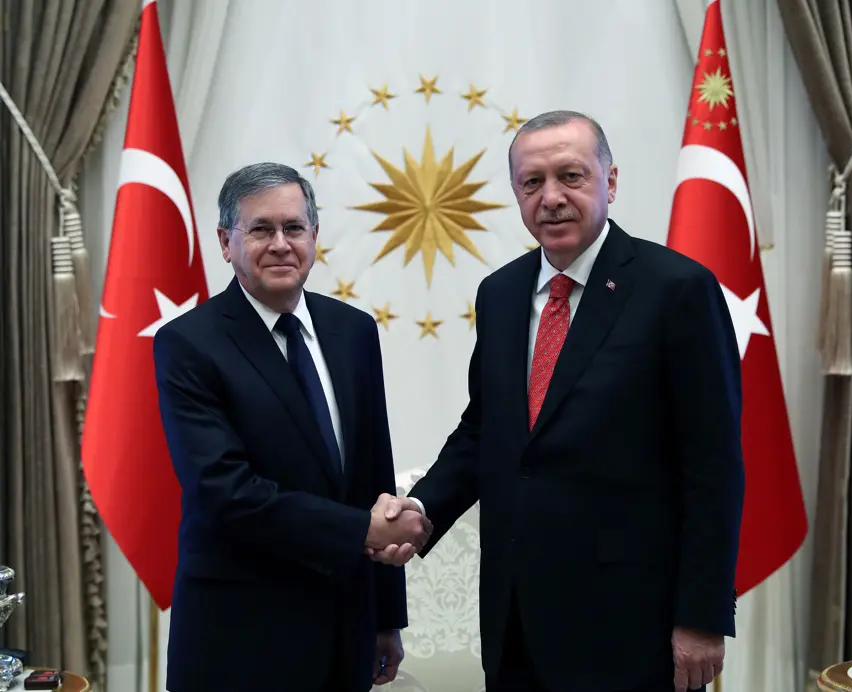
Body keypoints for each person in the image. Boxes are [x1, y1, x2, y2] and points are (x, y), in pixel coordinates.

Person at [372, 111, 745, 692]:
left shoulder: (678, 289)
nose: (550, 198)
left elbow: (713, 465)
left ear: (610, 181)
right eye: (532, 182)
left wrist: (701, 616)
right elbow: (485, 430)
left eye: (571, 176)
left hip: (633, 626)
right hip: (516, 620)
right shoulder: (499, 293)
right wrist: (421, 509)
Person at [153, 162, 432, 692]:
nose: (280, 244)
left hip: (344, 630)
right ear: (226, 242)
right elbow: (225, 491)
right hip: (239, 637)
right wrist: (360, 531)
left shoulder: (353, 330)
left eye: (293, 228)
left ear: (314, 236)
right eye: (261, 229)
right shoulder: (187, 344)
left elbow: (373, 472)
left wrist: (385, 617)